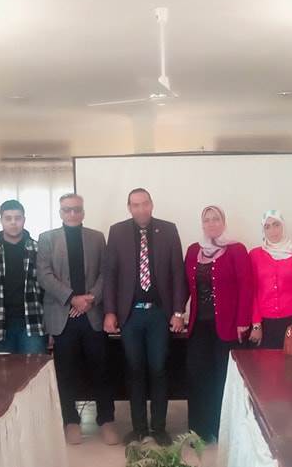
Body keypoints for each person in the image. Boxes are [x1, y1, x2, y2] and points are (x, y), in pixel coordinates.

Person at [103, 188, 186, 446]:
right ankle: (139, 429)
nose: (141, 209)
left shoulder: (168, 230)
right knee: (134, 370)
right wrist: (110, 311)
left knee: (159, 369)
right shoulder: (117, 232)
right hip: (130, 315)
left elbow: (178, 273)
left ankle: (159, 429)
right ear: (129, 207)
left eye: (145, 203)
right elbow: (110, 275)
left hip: (159, 314)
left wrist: (178, 312)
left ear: (152, 204)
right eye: (135, 205)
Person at [37, 193, 118, 446]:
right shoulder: (47, 239)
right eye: (67, 210)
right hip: (63, 315)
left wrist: (90, 298)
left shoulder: (97, 237)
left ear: (83, 212)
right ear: (60, 212)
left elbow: (106, 272)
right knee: (66, 371)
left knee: (101, 369)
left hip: (92, 315)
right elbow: (44, 275)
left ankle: (106, 420)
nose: (72, 214)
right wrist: (72, 298)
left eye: (76, 209)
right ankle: (71, 421)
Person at [184, 206, 252, 443]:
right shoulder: (194, 251)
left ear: (223, 222)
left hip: (228, 326)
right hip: (199, 326)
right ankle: (199, 431)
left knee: (222, 377)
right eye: (207, 220)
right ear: (202, 224)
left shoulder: (236, 250)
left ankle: (221, 429)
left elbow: (246, 287)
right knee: (197, 374)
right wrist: (177, 312)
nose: (211, 223)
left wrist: (243, 321)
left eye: (216, 219)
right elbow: (185, 285)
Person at [0, 199, 46, 354]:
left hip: (33, 320)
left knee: (34, 366)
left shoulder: (38, 249)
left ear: (24, 220)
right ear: (1, 221)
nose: (13, 222)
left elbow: (46, 290)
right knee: (4, 368)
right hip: (0, 323)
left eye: (17, 218)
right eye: (8, 218)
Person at [248, 210, 292, 349]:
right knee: (265, 361)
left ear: (283, 226)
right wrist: (256, 324)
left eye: (276, 224)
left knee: (291, 361)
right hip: (265, 323)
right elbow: (252, 291)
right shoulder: (255, 255)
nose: (272, 230)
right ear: (263, 230)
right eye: (267, 227)